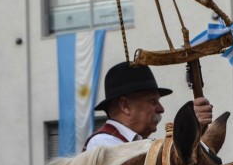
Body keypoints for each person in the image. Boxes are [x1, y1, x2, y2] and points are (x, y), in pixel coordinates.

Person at [83, 61, 213, 152]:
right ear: (125, 106)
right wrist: (189, 128)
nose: (161, 109)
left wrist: (194, 131)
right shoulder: (102, 144)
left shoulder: (136, 143)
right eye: (152, 101)